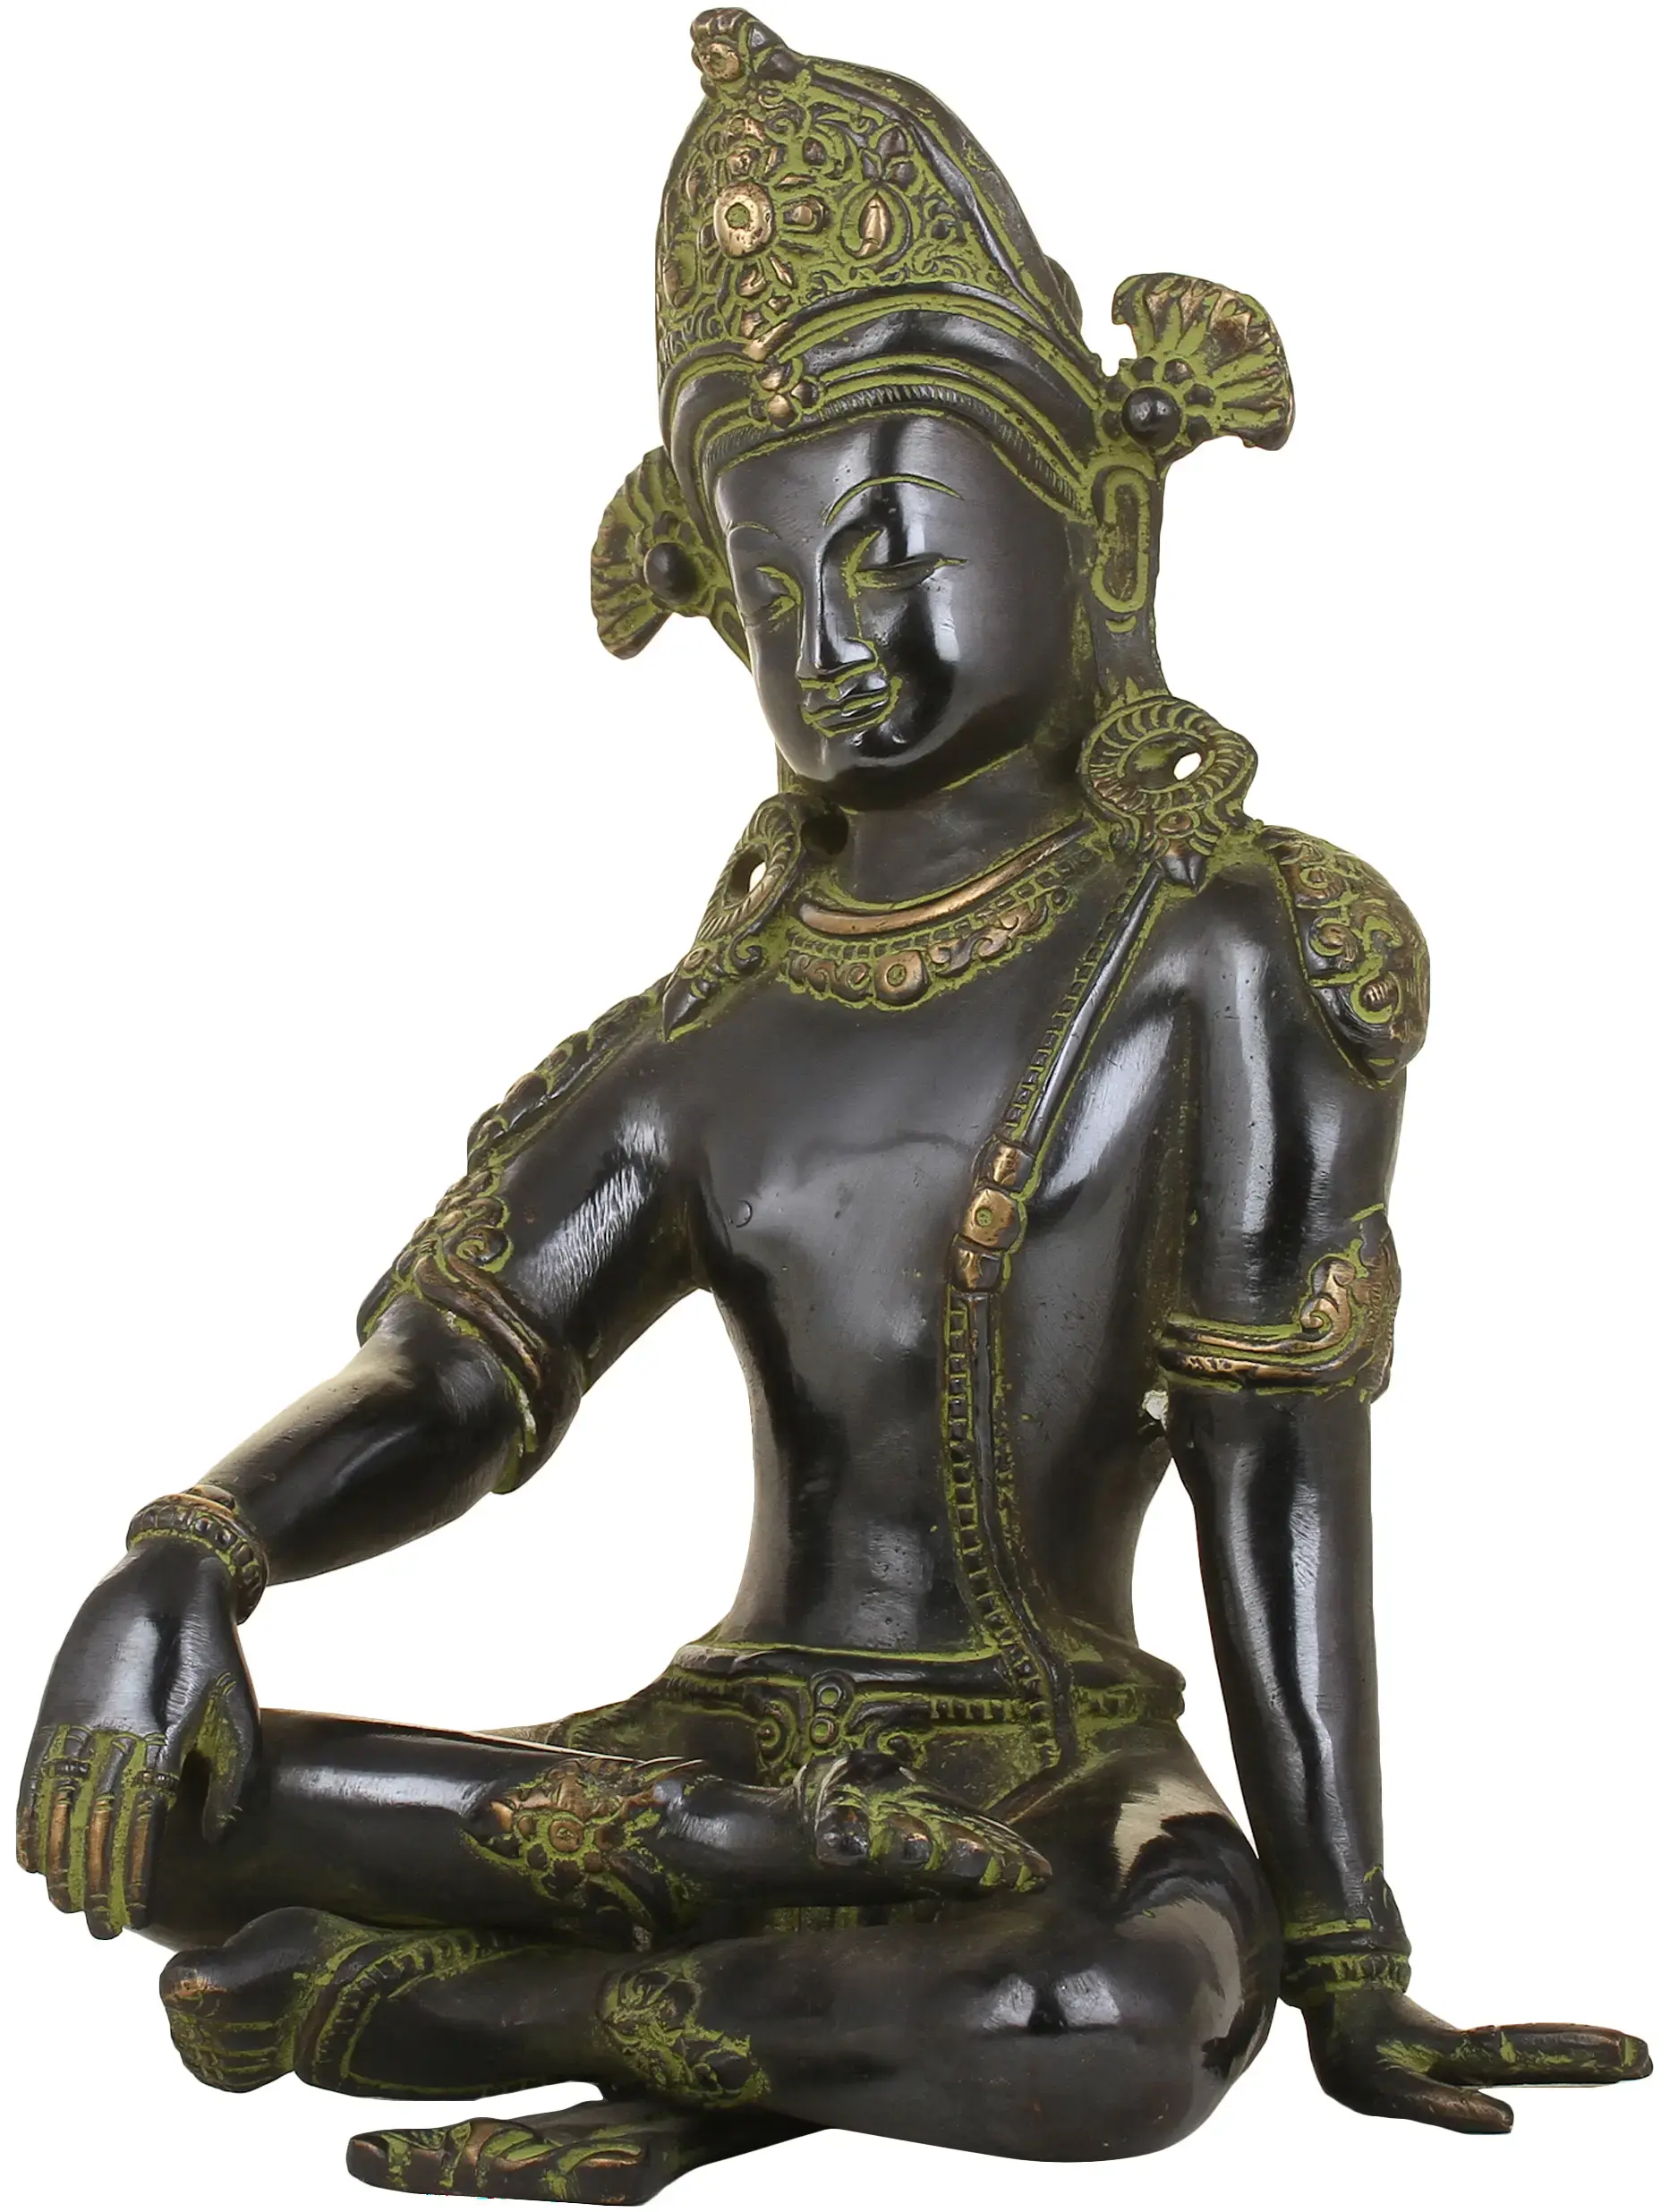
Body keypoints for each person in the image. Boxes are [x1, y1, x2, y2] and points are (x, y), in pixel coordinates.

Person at [17, 12, 1647, 2201]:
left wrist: (1347, 1956)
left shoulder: (1220, 946)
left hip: (1042, 1777)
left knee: (1124, 2017)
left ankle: (452, 2005)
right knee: (155, 1796)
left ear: (1091, 516)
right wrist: (191, 1557)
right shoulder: (710, 1028)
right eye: (771, 584)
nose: (832, 635)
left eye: (888, 546)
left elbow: (1274, 1465)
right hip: (707, 1770)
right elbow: (453, 1381)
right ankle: (745, 1926)